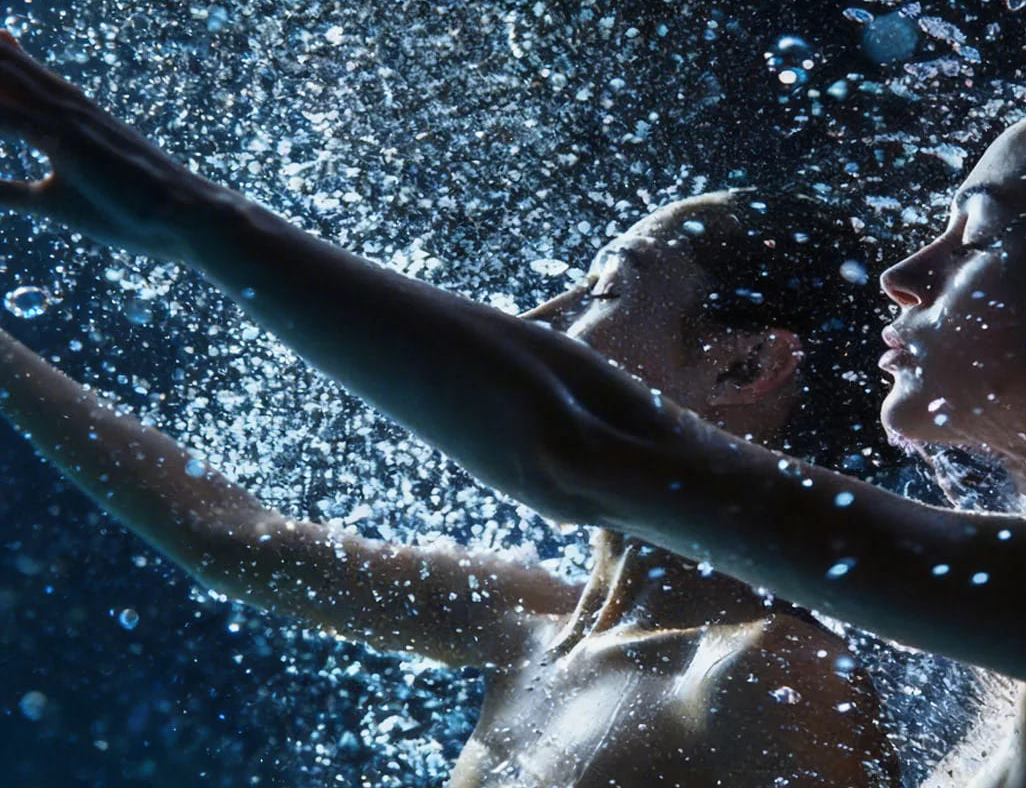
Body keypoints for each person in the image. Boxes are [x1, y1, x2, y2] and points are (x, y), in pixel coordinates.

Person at [6, 27, 1026, 785]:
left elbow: (575, 441)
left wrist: (177, 207)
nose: (905, 274)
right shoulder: (1023, 627)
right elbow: (237, 538)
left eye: (976, 238)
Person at [0, 144, 902, 788]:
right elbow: (231, 538)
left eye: (607, 287)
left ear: (744, 366)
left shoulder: (771, 678)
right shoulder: (535, 619)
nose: (536, 319)